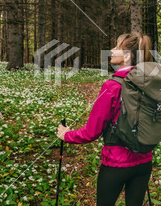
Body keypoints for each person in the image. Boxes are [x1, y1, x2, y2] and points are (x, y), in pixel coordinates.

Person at [57, 32, 154, 206]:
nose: (111, 50)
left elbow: (91, 132)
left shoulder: (112, 86)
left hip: (116, 164)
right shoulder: (151, 83)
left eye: (116, 47)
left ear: (126, 56)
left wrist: (67, 135)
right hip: (144, 161)